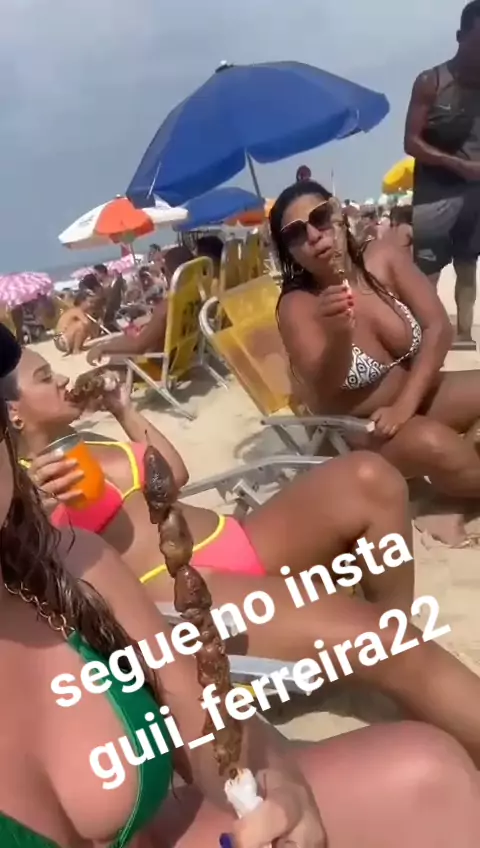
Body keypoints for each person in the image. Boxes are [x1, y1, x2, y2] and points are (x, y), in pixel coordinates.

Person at [1, 334, 480, 848]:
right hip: (188, 587)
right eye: (43, 378)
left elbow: (173, 475)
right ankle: (392, 657)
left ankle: (395, 658)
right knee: (382, 639)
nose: (61, 380)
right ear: (16, 415)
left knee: (370, 478)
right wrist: (41, 502)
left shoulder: (73, 541)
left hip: (221, 545)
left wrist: (123, 408)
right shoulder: (44, 495)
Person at [270, 178, 480, 547]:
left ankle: (446, 498)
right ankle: (452, 483)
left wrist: (405, 405)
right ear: (288, 249)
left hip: (419, 398)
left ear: (338, 214)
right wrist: (338, 336)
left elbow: (438, 328)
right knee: (436, 446)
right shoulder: (298, 305)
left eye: (319, 217)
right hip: (363, 431)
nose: (314, 236)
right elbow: (321, 393)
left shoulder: (384, 257)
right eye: (295, 233)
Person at [404, 0, 480, 346]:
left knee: (467, 264)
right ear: (460, 37)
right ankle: (424, 335)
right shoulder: (431, 82)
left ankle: (464, 334)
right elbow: (411, 142)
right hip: (435, 192)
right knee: (427, 270)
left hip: (474, 196)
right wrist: (458, 165)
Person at [53, 290, 100, 355]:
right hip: (61, 339)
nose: (92, 305)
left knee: (83, 325)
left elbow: (93, 333)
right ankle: (76, 349)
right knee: (82, 325)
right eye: (90, 302)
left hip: (61, 339)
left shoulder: (79, 312)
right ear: (82, 302)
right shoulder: (77, 310)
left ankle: (78, 347)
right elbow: (87, 323)